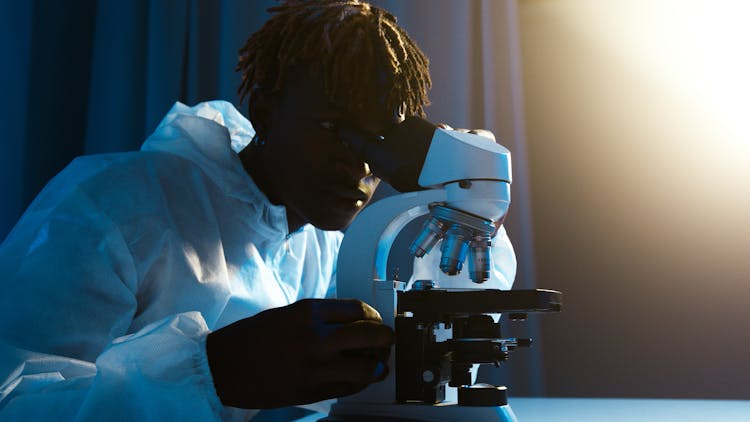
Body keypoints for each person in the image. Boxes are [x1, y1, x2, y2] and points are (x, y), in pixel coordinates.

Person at [0, 0, 516, 420]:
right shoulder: (110, 205)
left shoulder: (327, 243)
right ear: (265, 112)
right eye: (333, 128)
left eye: (379, 139)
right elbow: (15, 402)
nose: (358, 162)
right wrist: (213, 374)